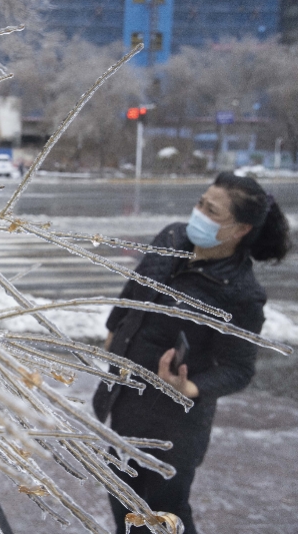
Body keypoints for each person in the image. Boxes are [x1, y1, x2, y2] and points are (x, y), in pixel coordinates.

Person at [92, 172, 292, 534]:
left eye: (211, 210)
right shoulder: (171, 236)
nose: (198, 213)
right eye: (201, 202)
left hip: (172, 427)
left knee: (163, 515)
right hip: (121, 399)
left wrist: (191, 388)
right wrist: (113, 329)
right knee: (123, 503)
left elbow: (238, 369)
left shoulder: (242, 293)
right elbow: (135, 288)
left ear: (240, 229)